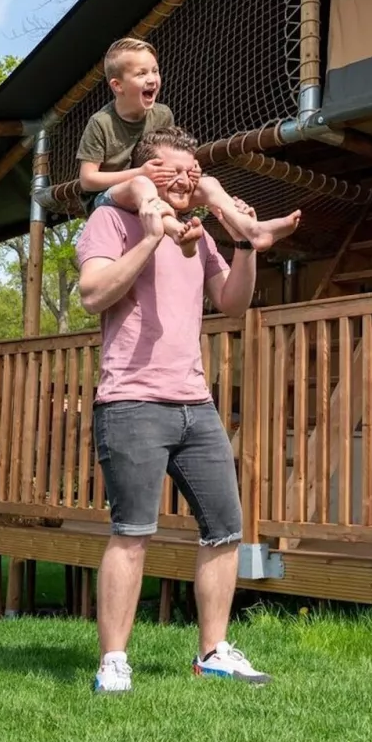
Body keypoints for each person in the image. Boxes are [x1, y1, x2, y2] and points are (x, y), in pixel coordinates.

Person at [76, 126, 293, 693]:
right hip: (130, 400)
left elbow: (232, 303)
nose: (185, 181)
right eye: (174, 171)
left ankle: (213, 652)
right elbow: (94, 293)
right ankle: (114, 661)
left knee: (225, 528)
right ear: (146, 173)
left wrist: (245, 247)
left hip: (196, 404)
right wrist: (150, 238)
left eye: (192, 173)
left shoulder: (200, 233)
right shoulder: (110, 222)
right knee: (132, 531)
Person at [77, 37, 301, 257]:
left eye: (155, 71)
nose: (152, 79)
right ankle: (176, 231)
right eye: (141, 74)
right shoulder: (101, 123)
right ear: (117, 86)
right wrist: (140, 173)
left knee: (209, 183)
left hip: (155, 189)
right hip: (108, 198)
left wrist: (189, 168)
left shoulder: (162, 114)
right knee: (141, 184)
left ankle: (253, 230)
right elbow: (88, 180)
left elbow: (173, 152)